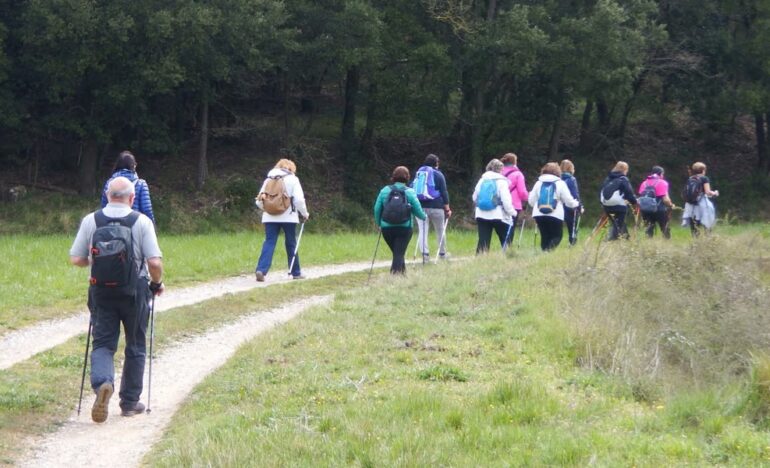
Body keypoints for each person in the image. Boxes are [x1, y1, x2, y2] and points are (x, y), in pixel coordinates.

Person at [70, 176, 164, 423]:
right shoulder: (141, 221)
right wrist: (157, 283)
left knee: (102, 344)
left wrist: (98, 260)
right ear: (132, 198)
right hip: (134, 291)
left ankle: (103, 383)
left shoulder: (92, 220)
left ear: (108, 195)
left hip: (100, 291)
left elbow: (76, 259)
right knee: (135, 344)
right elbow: (154, 262)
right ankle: (130, 403)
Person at [254, 159, 309, 281]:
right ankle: (295, 272)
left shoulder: (268, 179)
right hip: (289, 217)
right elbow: (299, 200)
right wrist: (304, 213)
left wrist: (268, 208)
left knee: (269, 242)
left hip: (269, 217)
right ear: (292, 169)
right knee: (291, 243)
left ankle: (261, 270)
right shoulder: (293, 180)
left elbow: (258, 201)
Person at [374, 166, 427, 274]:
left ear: (393, 177)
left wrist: (379, 223)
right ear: (407, 177)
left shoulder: (384, 190)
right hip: (405, 228)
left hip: (387, 228)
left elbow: (377, 209)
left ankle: (402, 274)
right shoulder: (410, 192)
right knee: (399, 253)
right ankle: (395, 276)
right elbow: (418, 210)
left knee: (397, 252)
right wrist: (424, 216)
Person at [529, 162, 580, 251]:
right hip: (555, 214)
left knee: (545, 236)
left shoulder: (538, 183)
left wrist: (536, 206)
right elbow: (568, 201)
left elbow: (531, 201)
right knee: (557, 236)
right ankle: (548, 252)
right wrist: (576, 204)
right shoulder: (560, 183)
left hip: (539, 214)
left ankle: (544, 254)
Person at [412, 154, 452, 262]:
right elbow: (444, 192)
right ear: (436, 163)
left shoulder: (419, 174)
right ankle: (442, 254)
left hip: (420, 207)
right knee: (440, 230)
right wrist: (447, 209)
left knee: (422, 230)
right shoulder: (439, 175)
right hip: (437, 207)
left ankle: (425, 256)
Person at [472, 159, 516, 253]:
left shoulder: (482, 180)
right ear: (501, 169)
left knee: (483, 239)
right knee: (505, 238)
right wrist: (512, 212)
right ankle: (508, 256)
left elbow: (474, 197)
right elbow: (506, 201)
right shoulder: (502, 181)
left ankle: (480, 259)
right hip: (498, 214)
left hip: (481, 213)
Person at [101, 150, 155, 224]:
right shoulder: (141, 184)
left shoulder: (109, 183)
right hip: (135, 223)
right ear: (134, 165)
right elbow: (146, 209)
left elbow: (104, 206)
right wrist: (152, 225)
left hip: (112, 225)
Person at [599, 161, 638, 240]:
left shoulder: (608, 178)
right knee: (618, 224)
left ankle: (626, 238)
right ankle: (611, 240)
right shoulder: (623, 179)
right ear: (624, 170)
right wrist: (634, 202)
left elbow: (602, 190)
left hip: (606, 204)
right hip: (618, 205)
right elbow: (629, 192)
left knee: (616, 222)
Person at [637, 166, 675, 239]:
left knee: (649, 229)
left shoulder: (644, 183)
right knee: (665, 228)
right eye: (663, 174)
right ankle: (667, 244)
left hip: (646, 210)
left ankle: (649, 245)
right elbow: (665, 199)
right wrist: (671, 205)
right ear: (661, 174)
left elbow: (641, 197)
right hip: (659, 209)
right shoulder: (662, 182)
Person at [682, 161, 719, 236]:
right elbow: (708, 192)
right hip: (702, 204)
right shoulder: (704, 178)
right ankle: (708, 239)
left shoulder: (690, 178)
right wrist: (715, 193)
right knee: (708, 221)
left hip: (690, 205)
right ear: (703, 170)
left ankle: (695, 242)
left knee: (694, 226)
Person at [500, 153, 528, 246]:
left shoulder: (499, 173)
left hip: (499, 204)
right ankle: (507, 248)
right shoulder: (518, 174)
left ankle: (502, 245)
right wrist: (528, 198)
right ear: (515, 162)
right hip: (514, 204)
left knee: (501, 227)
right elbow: (522, 192)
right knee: (510, 227)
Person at [559, 159, 583, 245]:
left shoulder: (557, 179)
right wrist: (580, 206)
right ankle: (572, 242)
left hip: (559, 206)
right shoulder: (571, 179)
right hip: (569, 205)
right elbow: (575, 194)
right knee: (572, 225)